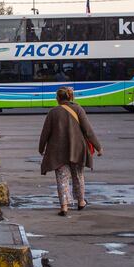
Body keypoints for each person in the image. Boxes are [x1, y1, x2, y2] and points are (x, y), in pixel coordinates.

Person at [39, 87, 103, 217]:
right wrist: (98, 147)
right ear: (70, 97)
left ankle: (64, 206)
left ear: (58, 99)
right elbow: (88, 130)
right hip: (77, 149)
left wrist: (41, 148)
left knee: (62, 179)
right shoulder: (78, 109)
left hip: (58, 151)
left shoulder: (53, 112)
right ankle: (80, 202)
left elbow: (45, 133)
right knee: (78, 176)